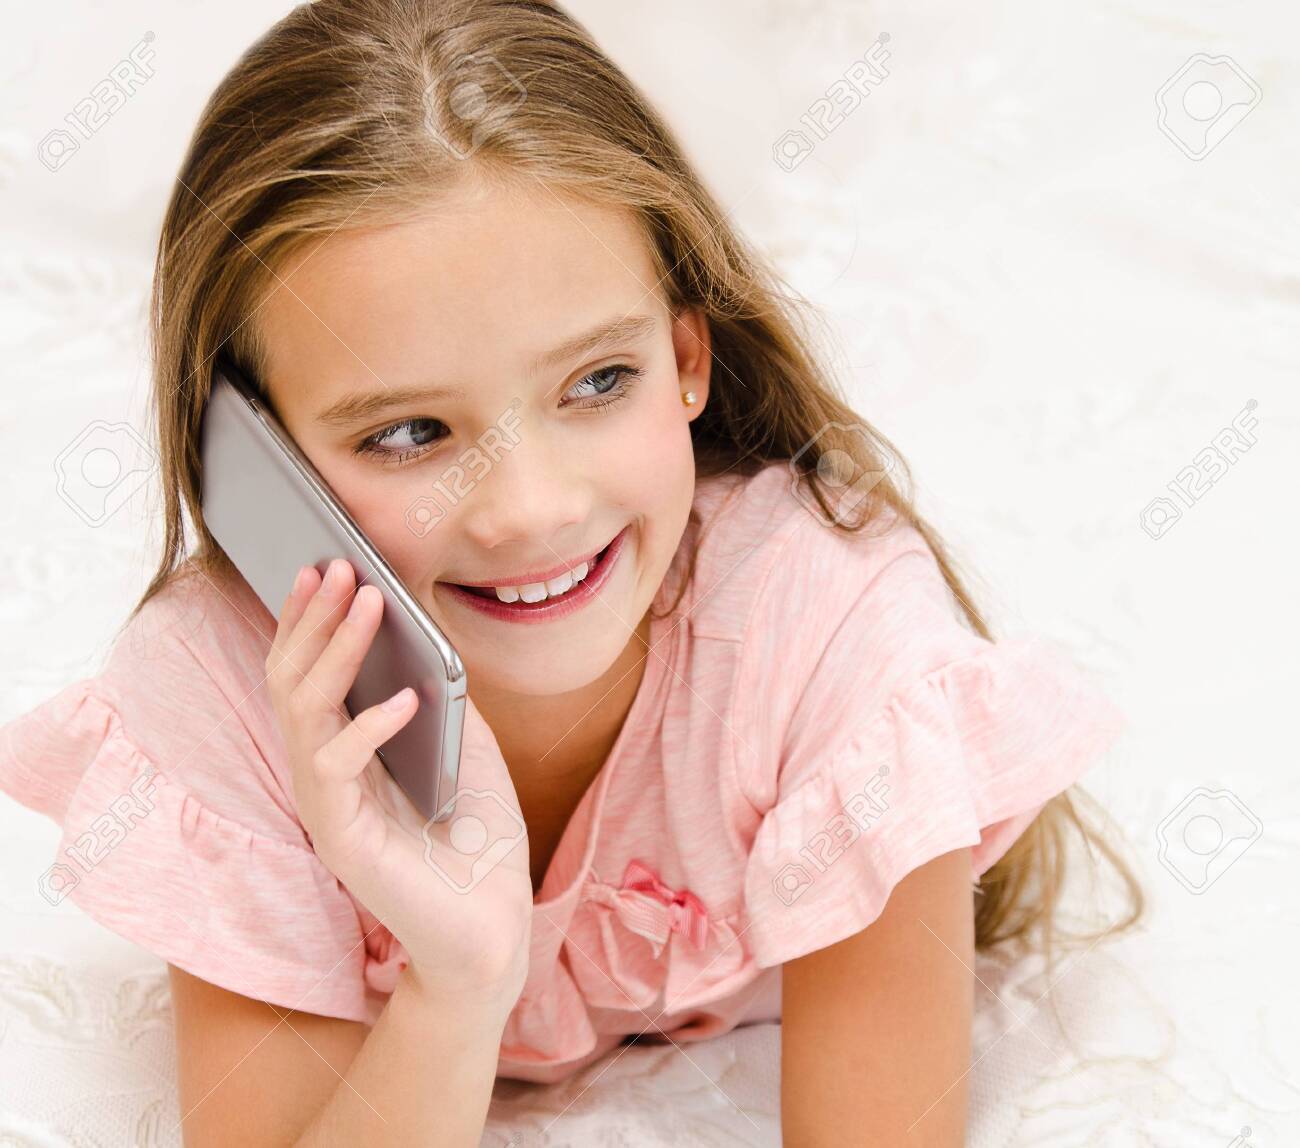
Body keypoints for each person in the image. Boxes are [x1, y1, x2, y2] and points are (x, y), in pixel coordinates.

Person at [0, 1, 1144, 1143]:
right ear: (258, 466)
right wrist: (457, 987)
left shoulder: (830, 633)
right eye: (407, 433)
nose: (531, 509)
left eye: (597, 381)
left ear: (684, 356)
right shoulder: (222, 689)